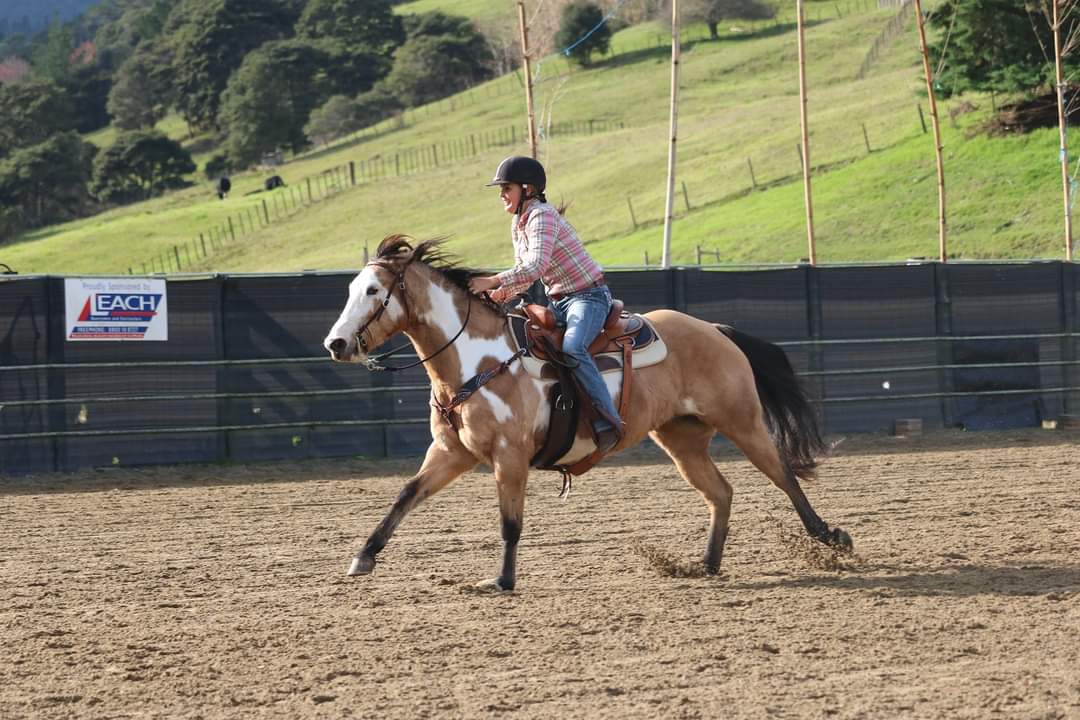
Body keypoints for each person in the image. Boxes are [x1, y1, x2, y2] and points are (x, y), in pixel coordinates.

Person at [468, 156, 623, 453]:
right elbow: (524, 275)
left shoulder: (542, 216)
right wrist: (496, 297)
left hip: (588, 297)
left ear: (527, 189)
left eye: (506, 188)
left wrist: (492, 281)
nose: (501, 194)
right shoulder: (518, 223)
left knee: (573, 348)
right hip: (561, 302)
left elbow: (536, 266)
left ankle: (608, 420)